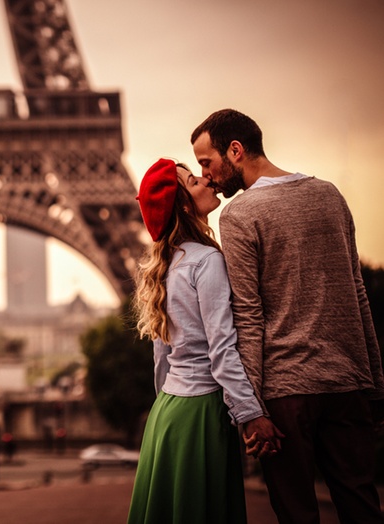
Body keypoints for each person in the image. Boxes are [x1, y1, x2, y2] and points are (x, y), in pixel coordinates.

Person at [191, 108, 384, 523]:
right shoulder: (329, 194)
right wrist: (375, 382)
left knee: (297, 514)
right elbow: (357, 293)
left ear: (236, 150)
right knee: (363, 507)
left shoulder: (239, 215)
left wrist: (252, 410)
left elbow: (248, 314)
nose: (205, 175)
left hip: (285, 396)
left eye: (207, 162)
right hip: (347, 384)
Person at [127, 158, 280, 523]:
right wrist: (250, 413)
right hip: (201, 412)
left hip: (167, 413)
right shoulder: (207, 260)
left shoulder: (169, 265)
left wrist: (167, 402)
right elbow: (223, 349)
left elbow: (161, 358)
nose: (208, 182)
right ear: (182, 203)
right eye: (195, 181)